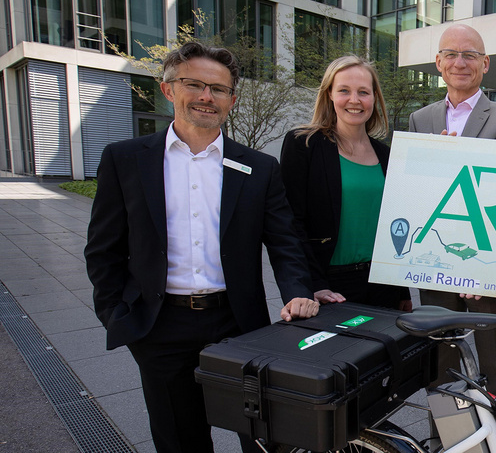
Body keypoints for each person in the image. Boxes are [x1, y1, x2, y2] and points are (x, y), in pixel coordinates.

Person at [84, 41, 320, 453]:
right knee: (180, 440)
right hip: (160, 328)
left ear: (231, 99)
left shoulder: (259, 168)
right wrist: (116, 313)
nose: (207, 96)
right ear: (168, 89)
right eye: (194, 84)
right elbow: (103, 248)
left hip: (238, 323)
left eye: (219, 89)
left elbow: (285, 241)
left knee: (265, 438)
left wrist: (298, 292)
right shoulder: (125, 159)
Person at [407, 23, 496, 443]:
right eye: (451, 54)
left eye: (470, 54)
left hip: (488, 272)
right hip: (437, 265)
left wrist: (482, 267)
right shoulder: (420, 119)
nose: (460, 62)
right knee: (441, 366)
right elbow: (416, 194)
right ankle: (447, 443)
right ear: (438, 63)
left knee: (495, 372)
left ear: (485, 64)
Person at [280, 56, 410, 311]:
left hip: (383, 284)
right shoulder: (303, 145)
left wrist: (401, 288)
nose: (354, 100)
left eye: (363, 92)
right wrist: (311, 283)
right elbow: (291, 224)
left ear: (374, 98)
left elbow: (395, 225)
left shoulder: (387, 155)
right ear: (329, 94)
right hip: (328, 286)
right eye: (344, 91)